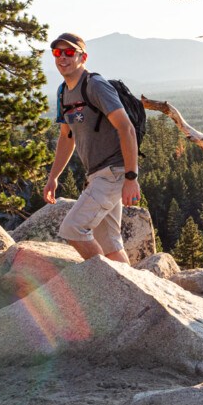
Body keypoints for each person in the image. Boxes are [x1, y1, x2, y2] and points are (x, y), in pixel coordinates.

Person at [43, 32, 141, 263]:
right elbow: (67, 137)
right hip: (97, 175)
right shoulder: (63, 92)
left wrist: (131, 177)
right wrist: (53, 177)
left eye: (69, 53)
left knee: (73, 229)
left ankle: (109, 283)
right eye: (58, 53)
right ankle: (127, 293)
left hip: (114, 172)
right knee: (110, 245)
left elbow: (126, 128)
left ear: (83, 57)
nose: (62, 58)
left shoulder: (95, 85)